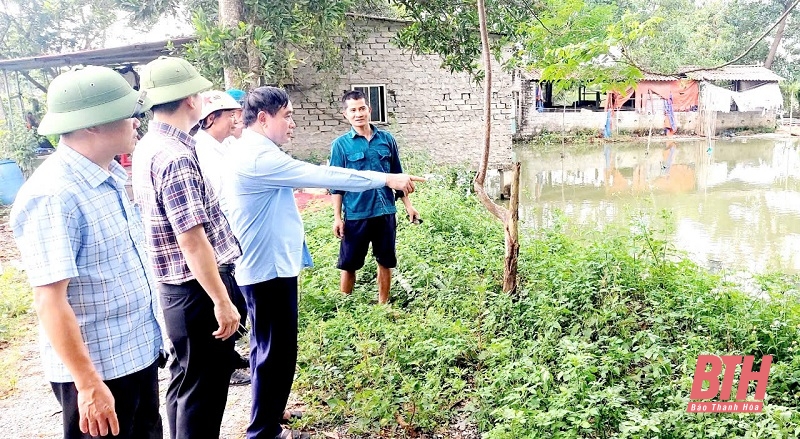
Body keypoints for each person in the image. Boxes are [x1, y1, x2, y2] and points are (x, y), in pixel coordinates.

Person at [221, 86, 424, 439]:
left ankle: (270, 413)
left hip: (270, 266)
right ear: (264, 118)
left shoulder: (255, 150)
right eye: (287, 116)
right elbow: (329, 176)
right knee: (274, 353)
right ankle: (264, 431)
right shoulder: (259, 157)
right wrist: (387, 179)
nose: (294, 124)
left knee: (268, 350)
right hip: (266, 270)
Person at [10, 65, 163, 439]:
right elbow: (50, 301)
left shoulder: (107, 174)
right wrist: (89, 386)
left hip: (135, 354)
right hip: (101, 371)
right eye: (129, 113)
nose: (137, 122)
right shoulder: (54, 195)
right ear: (91, 124)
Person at [132, 56, 242, 439]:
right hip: (197, 291)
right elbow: (192, 238)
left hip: (177, 289)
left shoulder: (151, 144)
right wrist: (222, 300)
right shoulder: (175, 155)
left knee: (185, 385)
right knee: (204, 393)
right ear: (190, 99)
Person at [329, 90, 420, 304]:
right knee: (349, 263)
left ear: (369, 110)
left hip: (385, 212)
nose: (358, 113)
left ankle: (383, 305)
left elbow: (399, 176)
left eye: (362, 108)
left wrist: (409, 206)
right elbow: (336, 185)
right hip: (356, 213)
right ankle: (346, 306)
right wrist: (337, 217)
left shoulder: (386, 140)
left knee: (385, 260)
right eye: (353, 110)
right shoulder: (340, 146)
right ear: (346, 115)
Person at [193, 89, 251, 385]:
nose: (235, 121)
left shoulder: (223, 145)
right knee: (224, 303)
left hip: (229, 236)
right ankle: (226, 364)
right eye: (231, 116)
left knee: (234, 301)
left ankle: (230, 355)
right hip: (215, 240)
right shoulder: (201, 150)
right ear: (212, 118)